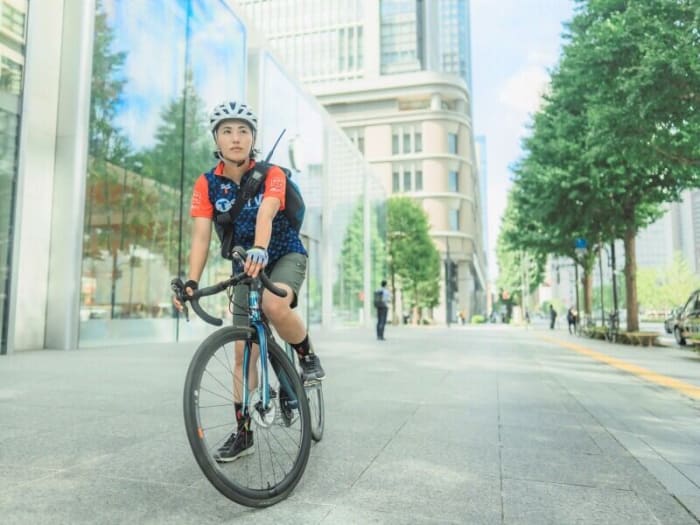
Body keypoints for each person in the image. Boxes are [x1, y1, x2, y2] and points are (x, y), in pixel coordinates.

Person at [173, 100, 324, 463]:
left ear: (253, 137)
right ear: (217, 138)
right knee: (244, 350)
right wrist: (191, 282)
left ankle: (306, 356)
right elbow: (200, 236)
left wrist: (260, 246)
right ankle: (243, 432)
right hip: (245, 264)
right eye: (227, 131)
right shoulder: (206, 183)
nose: (235, 138)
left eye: (243, 130)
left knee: (274, 305)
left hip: (284, 254)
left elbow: (269, 211)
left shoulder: (273, 174)